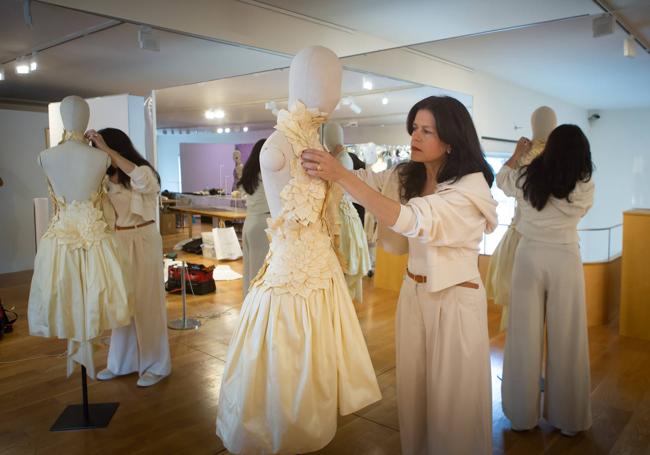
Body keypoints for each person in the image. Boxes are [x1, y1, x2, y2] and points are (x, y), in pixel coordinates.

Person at [302, 95, 497, 454]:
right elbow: (364, 181)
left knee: (454, 401)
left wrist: (340, 173)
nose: (415, 137)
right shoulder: (408, 174)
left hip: (455, 299)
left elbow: (414, 220)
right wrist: (321, 161)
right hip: (413, 293)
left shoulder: (471, 188)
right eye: (413, 129)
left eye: (426, 131)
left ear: (451, 139)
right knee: (414, 392)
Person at [216, 46, 380, 454]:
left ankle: (305, 430)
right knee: (290, 367)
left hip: (319, 273)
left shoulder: (312, 139)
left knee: (316, 370)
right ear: (303, 82)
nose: (335, 92)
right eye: (330, 81)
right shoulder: (278, 147)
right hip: (292, 276)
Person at [499, 124, 594, 436]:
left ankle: (521, 417)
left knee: (522, 335)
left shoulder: (528, 174)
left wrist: (517, 154)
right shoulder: (584, 183)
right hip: (565, 257)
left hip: (529, 257)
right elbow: (582, 207)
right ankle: (568, 419)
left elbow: (501, 180)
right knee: (568, 337)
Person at [86, 127, 172, 388]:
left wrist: (106, 149)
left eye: (103, 150)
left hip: (144, 238)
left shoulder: (142, 172)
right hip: (119, 240)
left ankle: (157, 365)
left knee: (148, 303)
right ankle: (121, 363)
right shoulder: (104, 178)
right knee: (122, 304)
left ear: (114, 148)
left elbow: (142, 181)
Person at [486, 106, 557, 331]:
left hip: (523, 234)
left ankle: (522, 353)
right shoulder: (559, 156)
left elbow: (502, 180)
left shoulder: (527, 154)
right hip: (553, 238)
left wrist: (517, 153)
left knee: (520, 300)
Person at [238, 138, 270, 296]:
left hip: (250, 222)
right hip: (263, 224)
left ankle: (249, 308)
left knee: (250, 270)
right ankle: (257, 311)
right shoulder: (266, 174)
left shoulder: (249, 173)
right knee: (261, 273)